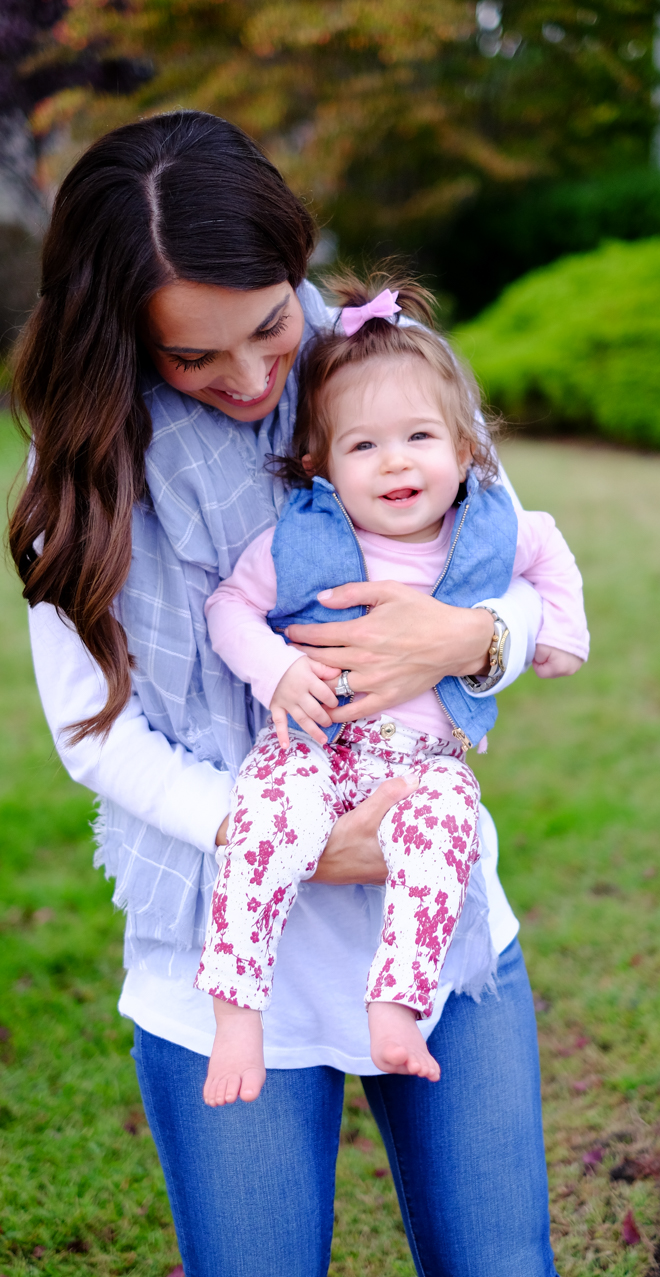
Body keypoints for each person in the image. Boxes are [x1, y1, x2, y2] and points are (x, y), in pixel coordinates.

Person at [9, 110, 588, 1277]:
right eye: (192, 355)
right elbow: (93, 730)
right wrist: (292, 837)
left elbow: (510, 565)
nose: (251, 376)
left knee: (502, 1264)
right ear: (121, 333)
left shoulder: (385, 370)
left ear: (297, 264)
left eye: (271, 327)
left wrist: (471, 638)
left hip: (433, 926)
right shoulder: (87, 469)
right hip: (222, 932)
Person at [197, 274, 588, 1105]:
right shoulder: (299, 537)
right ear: (321, 465)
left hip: (425, 758)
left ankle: (396, 1001)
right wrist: (279, 669)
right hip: (319, 742)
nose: (397, 461)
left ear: (464, 447)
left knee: (451, 830)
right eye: (363, 446)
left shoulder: (487, 526)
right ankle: (237, 1007)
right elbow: (228, 608)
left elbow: (549, 551)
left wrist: (559, 634)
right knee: (266, 817)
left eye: (419, 436)